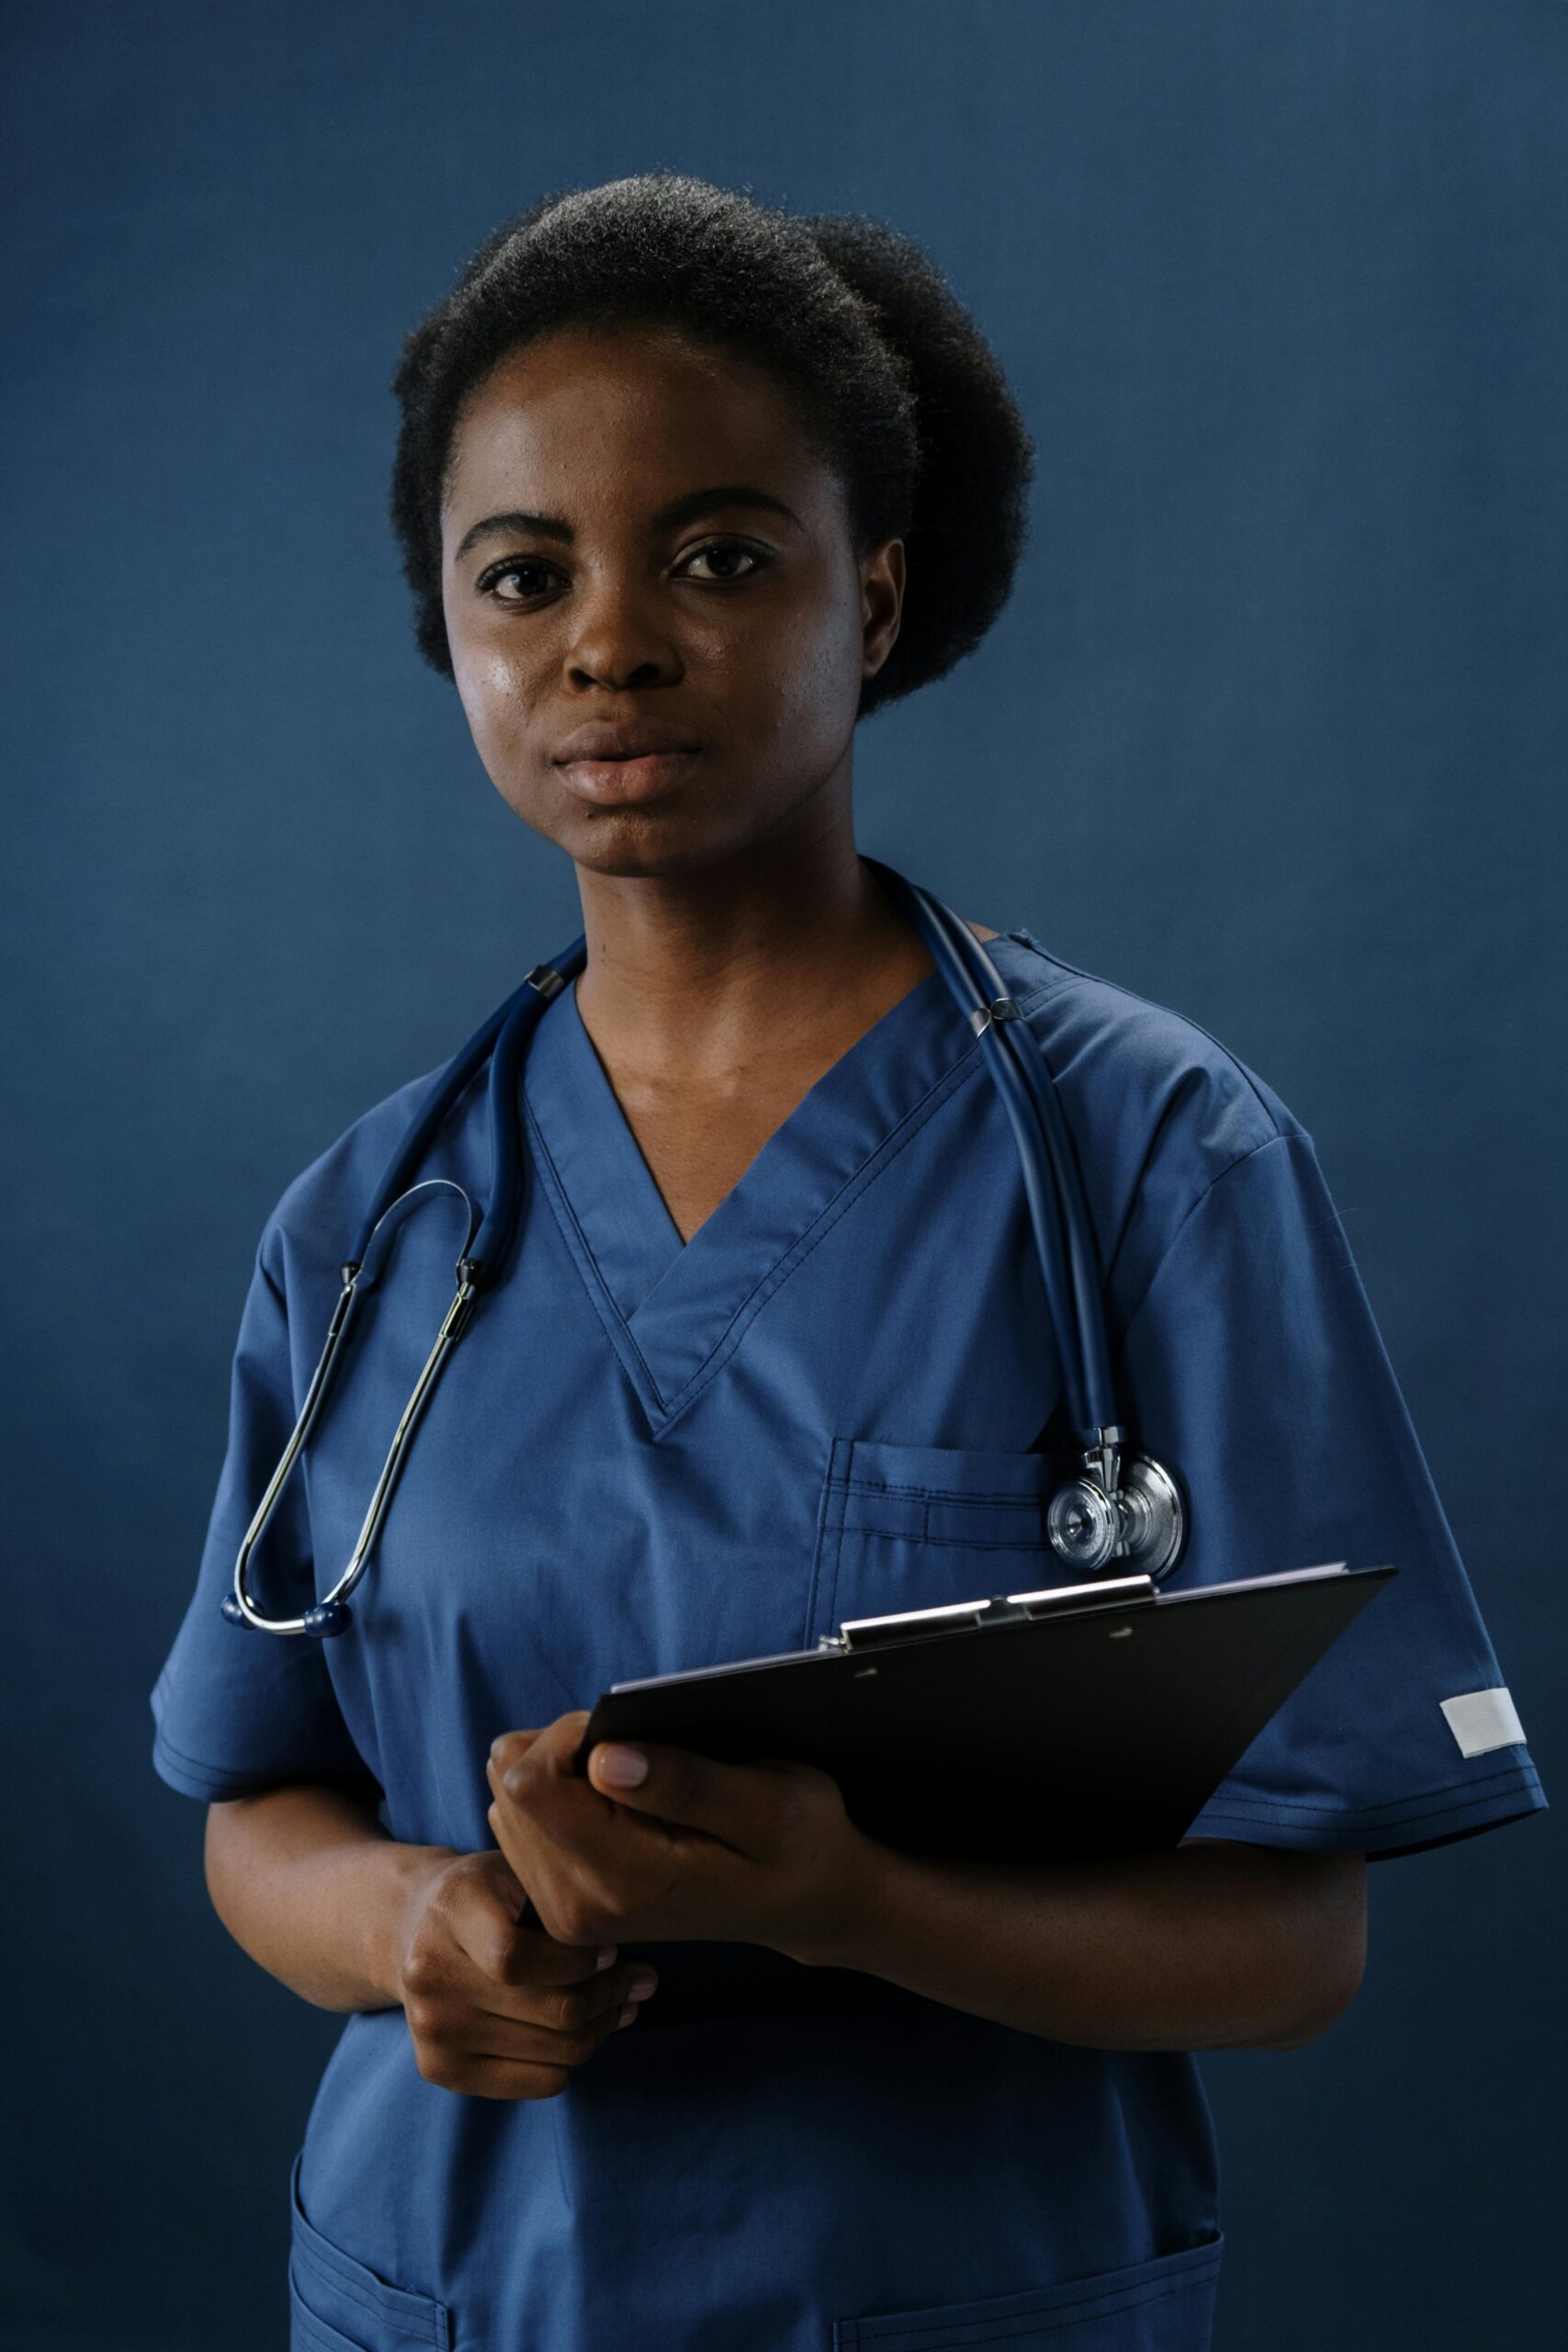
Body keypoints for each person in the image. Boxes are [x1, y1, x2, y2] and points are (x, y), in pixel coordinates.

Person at [150, 172, 1546, 2352]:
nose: (608, 640)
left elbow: (1293, 1946)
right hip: (446, 2294)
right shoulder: (372, 1221)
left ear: (871, 597)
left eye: (718, 555)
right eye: (524, 573)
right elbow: (258, 1804)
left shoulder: (1152, 1156)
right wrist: (416, 1918)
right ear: (453, 624)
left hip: (953, 2295)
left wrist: (850, 1901)